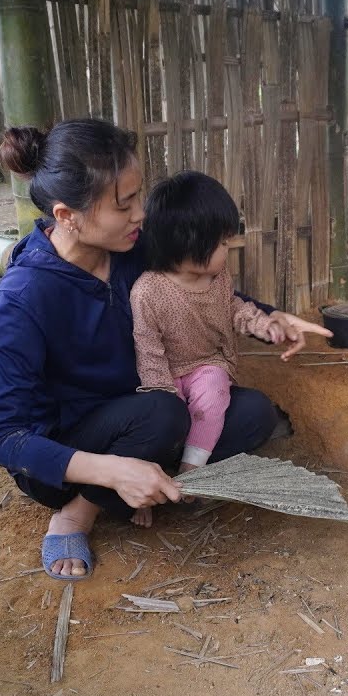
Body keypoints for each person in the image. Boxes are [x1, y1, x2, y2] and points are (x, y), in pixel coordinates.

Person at [0, 119, 330, 581]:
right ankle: (78, 512)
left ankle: (153, 482)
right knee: (162, 414)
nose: (141, 214)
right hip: (71, 450)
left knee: (251, 414)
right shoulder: (24, 298)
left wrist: (271, 320)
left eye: (139, 196)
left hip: (152, 405)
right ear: (66, 216)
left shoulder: (134, 249)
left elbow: (200, 285)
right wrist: (110, 469)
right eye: (124, 205)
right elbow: (2, 436)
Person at [128, 171, 292, 524]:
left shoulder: (219, 279)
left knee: (215, 393)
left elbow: (235, 307)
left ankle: (191, 472)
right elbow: (148, 348)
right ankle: (143, 491)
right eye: (222, 244)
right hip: (164, 376)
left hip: (205, 365)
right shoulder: (147, 291)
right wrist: (162, 394)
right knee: (157, 421)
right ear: (188, 243)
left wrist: (263, 324)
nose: (228, 251)